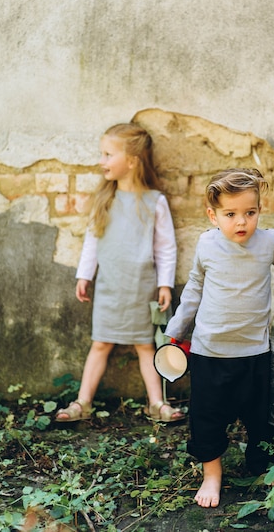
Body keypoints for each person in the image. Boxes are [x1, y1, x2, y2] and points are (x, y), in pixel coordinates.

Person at [164, 168, 274, 508]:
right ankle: (212, 474)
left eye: (250, 212)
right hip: (210, 353)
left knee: (260, 418)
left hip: (255, 352)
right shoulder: (206, 245)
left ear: (260, 209)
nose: (241, 222)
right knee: (207, 418)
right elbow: (195, 289)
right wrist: (176, 330)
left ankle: (262, 469)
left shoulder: (268, 242)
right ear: (212, 215)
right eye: (231, 214)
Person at [55, 122, 185, 423]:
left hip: (141, 286)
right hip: (110, 286)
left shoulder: (155, 202)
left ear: (132, 161)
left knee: (145, 345)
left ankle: (157, 404)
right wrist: (84, 276)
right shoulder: (105, 199)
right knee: (100, 343)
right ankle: (82, 402)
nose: (102, 161)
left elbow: (166, 247)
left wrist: (165, 284)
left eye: (108, 154)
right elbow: (92, 241)